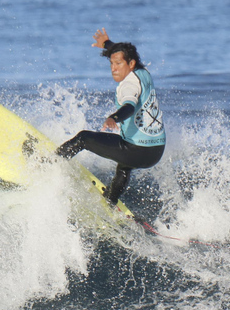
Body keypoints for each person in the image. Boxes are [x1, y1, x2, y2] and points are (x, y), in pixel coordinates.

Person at [56, 28, 166, 205]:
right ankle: (111, 200)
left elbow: (129, 106)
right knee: (124, 166)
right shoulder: (143, 73)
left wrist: (114, 118)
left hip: (136, 150)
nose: (113, 69)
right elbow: (122, 54)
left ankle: (49, 164)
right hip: (156, 151)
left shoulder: (129, 85)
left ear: (130, 64)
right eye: (111, 64)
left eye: (118, 64)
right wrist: (106, 44)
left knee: (84, 138)